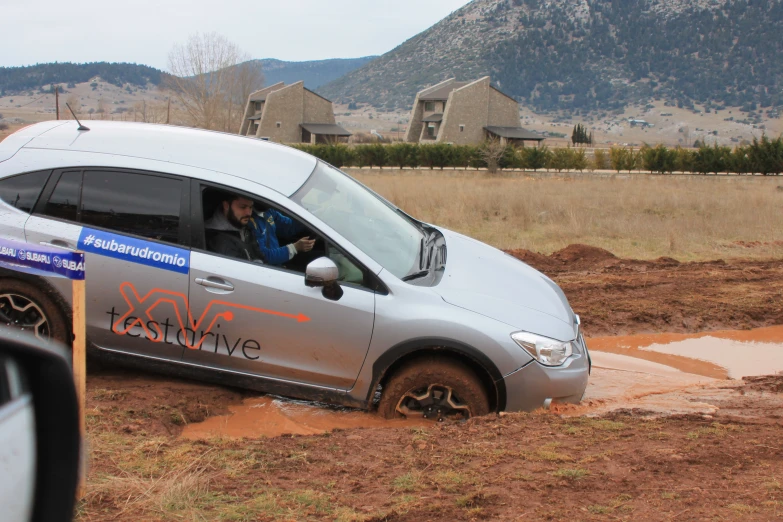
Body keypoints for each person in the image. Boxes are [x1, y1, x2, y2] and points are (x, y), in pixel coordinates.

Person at [205, 194, 264, 262]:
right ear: (226, 206)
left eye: (250, 207)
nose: (248, 213)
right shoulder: (220, 242)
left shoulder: (241, 226)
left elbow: (260, 255)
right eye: (242, 207)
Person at [248, 207, 315, 265]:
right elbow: (264, 256)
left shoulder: (269, 211)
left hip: (279, 262)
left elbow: (288, 227)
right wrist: (295, 247)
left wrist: (310, 217)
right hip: (268, 268)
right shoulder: (250, 222)